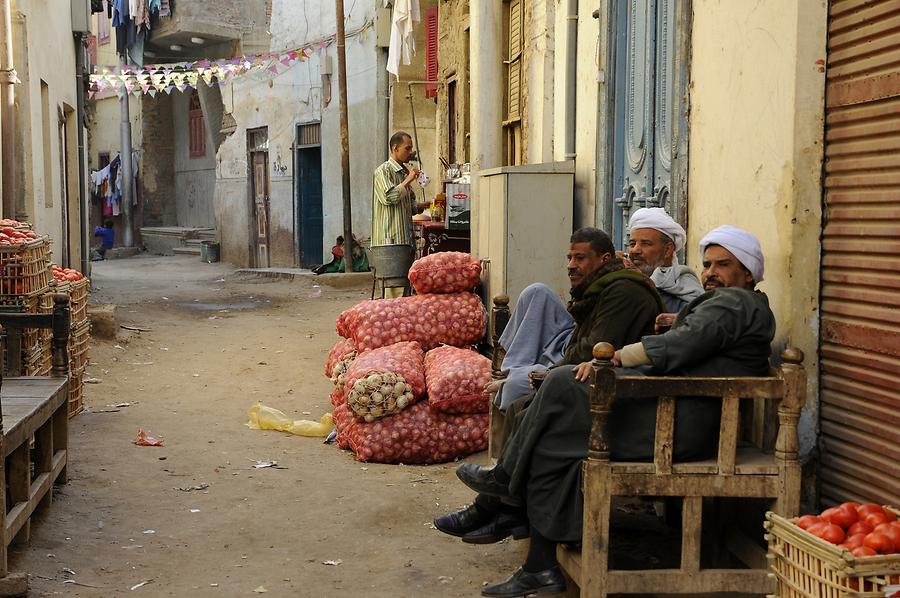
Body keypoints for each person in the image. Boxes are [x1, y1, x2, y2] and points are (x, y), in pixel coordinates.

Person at [449, 225, 775, 598]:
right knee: (554, 437)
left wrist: (619, 358)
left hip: (680, 425)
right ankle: (536, 559)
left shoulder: (735, 303)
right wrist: (671, 331)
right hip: (677, 413)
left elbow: (682, 347)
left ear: (747, 273)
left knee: (557, 386)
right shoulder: (739, 305)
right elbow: (698, 341)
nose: (710, 273)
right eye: (707, 265)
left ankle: (507, 488)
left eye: (723, 265)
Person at [434, 227, 664, 547]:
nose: (571, 265)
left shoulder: (626, 291)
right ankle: (503, 507)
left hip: (622, 401)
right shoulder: (608, 286)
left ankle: (498, 500)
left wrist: (555, 373)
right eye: (569, 257)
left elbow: (594, 352)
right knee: (522, 404)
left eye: (580, 258)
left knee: (532, 407)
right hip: (601, 382)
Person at [371, 131, 425, 297]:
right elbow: (390, 197)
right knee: (393, 291)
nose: (410, 152)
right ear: (395, 148)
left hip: (405, 239)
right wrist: (409, 180)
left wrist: (427, 205)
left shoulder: (403, 172)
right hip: (390, 241)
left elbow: (410, 206)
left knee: (405, 289)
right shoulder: (383, 171)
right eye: (407, 149)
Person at [626, 207, 703, 313]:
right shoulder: (623, 283)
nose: (635, 250)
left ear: (667, 250)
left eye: (646, 243)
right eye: (632, 244)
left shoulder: (687, 288)